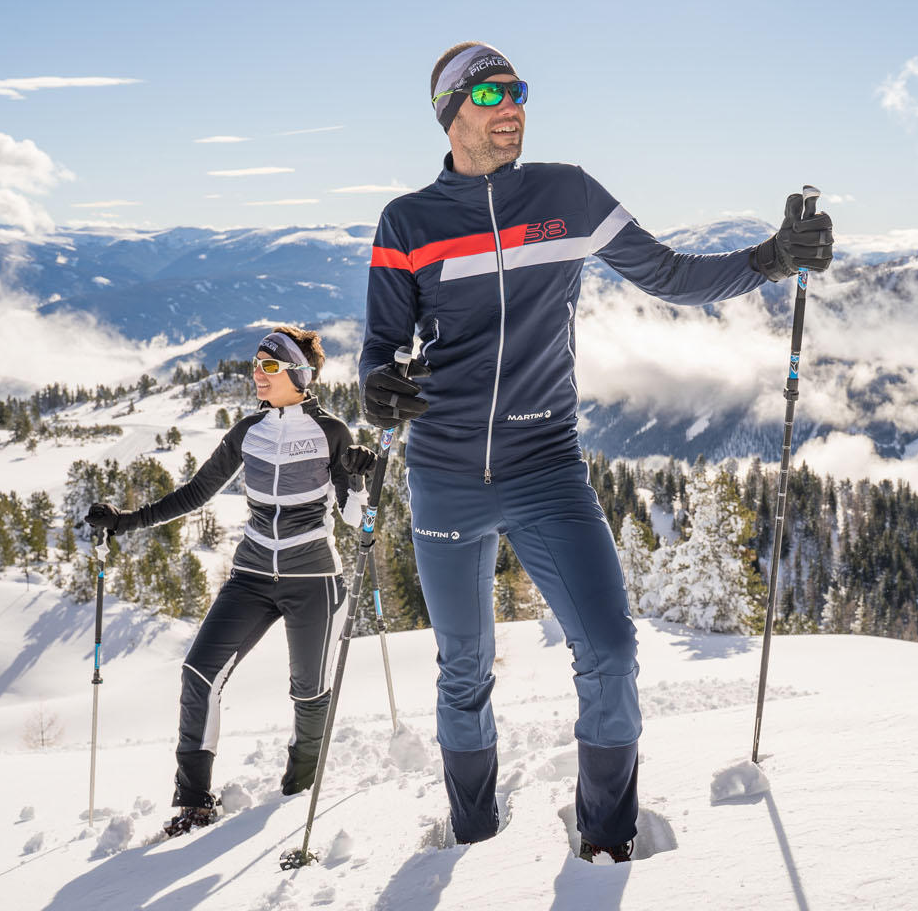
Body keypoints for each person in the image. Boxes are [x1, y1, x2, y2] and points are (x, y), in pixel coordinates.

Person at [358, 42, 833, 863]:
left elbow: (670, 274)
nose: (513, 106)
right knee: (462, 666)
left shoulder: (568, 194)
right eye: (492, 92)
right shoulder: (409, 222)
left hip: (546, 469)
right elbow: (379, 350)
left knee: (610, 650)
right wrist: (375, 388)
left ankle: (606, 839)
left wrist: (769, 260)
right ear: (449, 110)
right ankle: (471, 835)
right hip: (443, 476)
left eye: (520, 91)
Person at [86, 325, 377, 837]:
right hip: (251, 575)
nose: (256, 376)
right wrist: (125, 521)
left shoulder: (332, 433)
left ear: (297, 374)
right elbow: (195, 493)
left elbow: (355, 519)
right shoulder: (249, 431)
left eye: (268, 366)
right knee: (199, 672)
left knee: (308, 690)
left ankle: (300, 784)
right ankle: (194, 801)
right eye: (255, 366)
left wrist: (358, 476)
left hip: (314, 578)